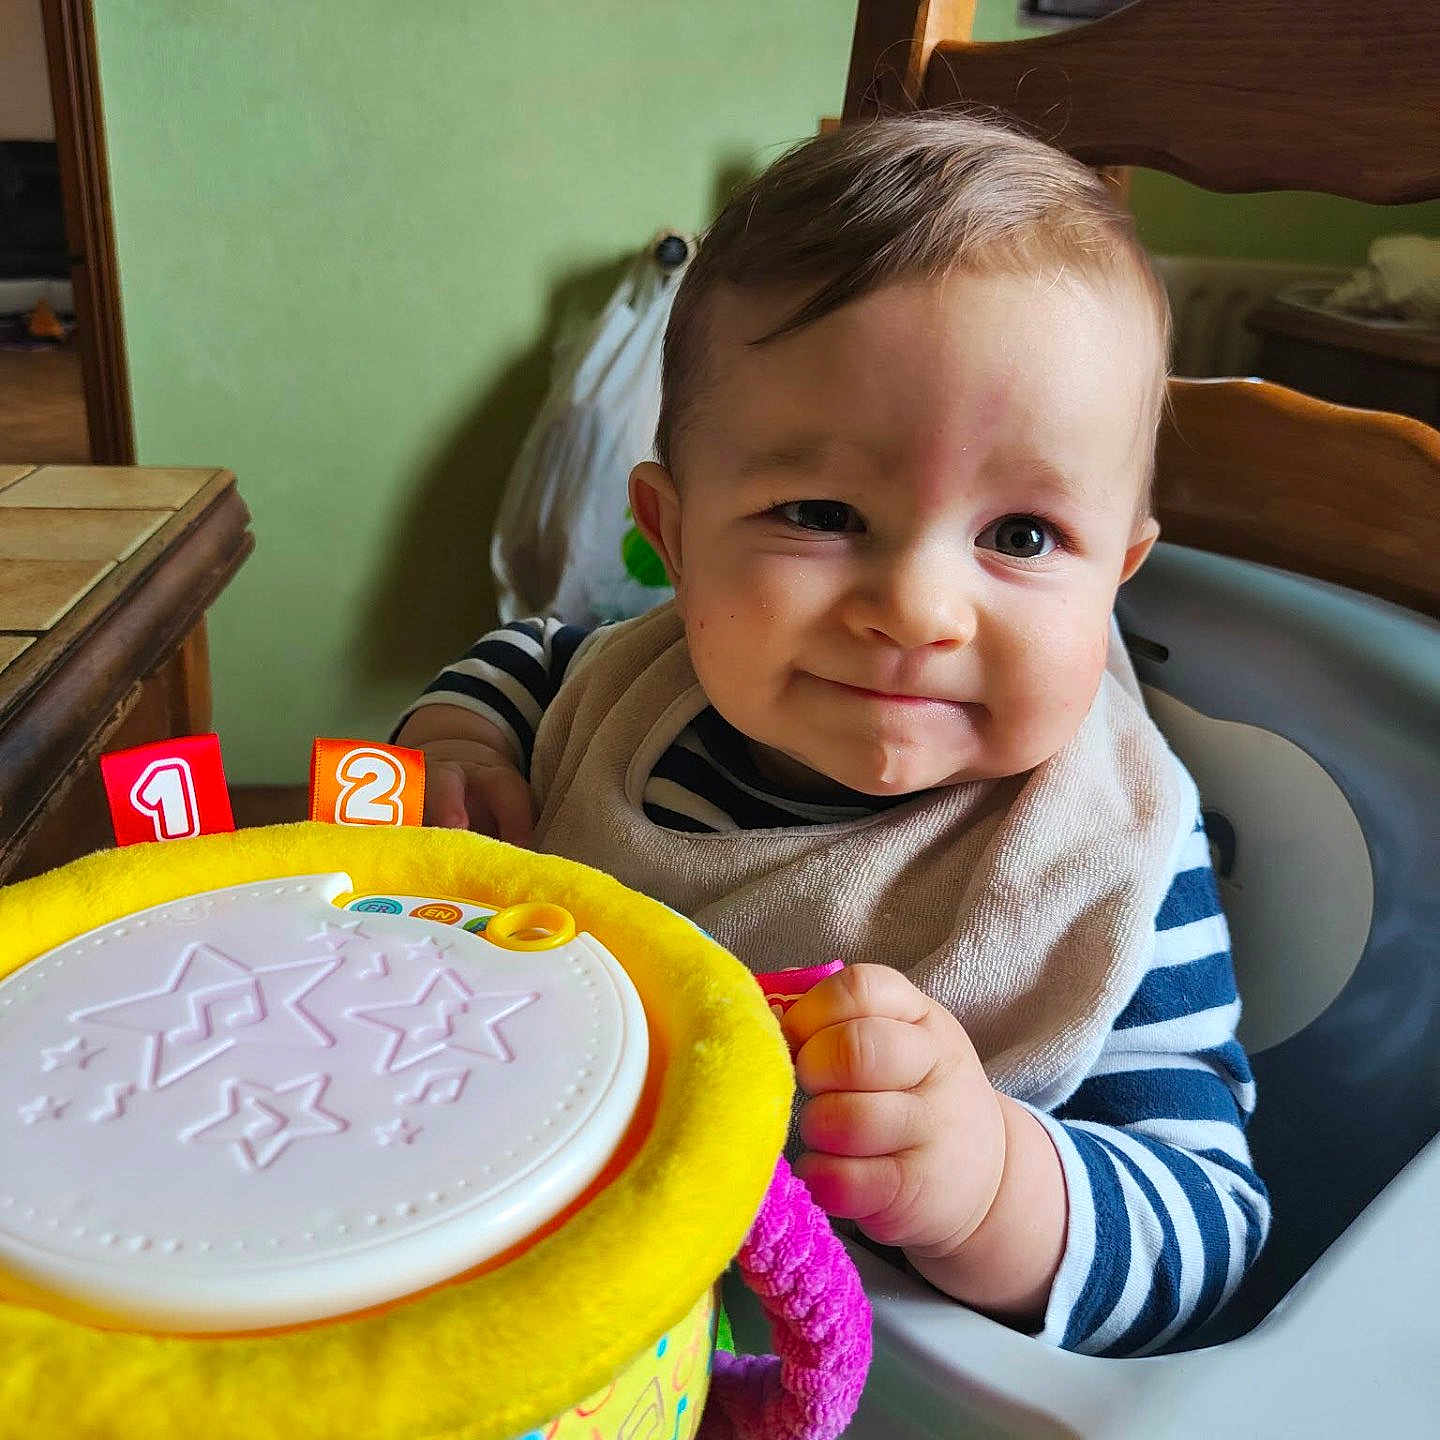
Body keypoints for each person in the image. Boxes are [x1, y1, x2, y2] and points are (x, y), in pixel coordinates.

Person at [393, 114, 1269, 1356]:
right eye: (821, 512)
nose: (917, 609)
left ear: (1116, 574)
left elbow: (1213, 1233)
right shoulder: (634, 688)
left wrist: (989, 1185)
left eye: (1021, 536)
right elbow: (524, 657)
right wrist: (460, 744)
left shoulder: (1106, 850)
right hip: (525, 1255)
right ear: (675, 534)